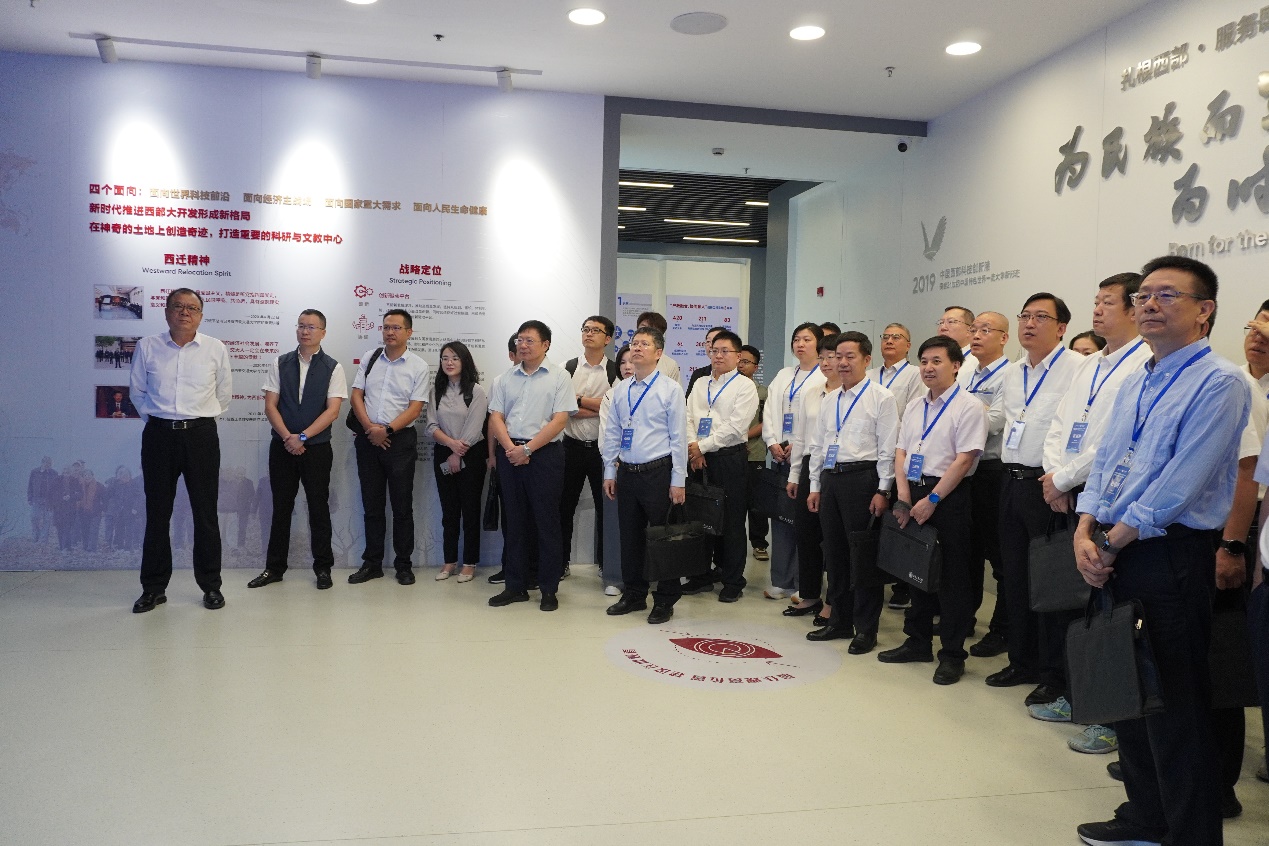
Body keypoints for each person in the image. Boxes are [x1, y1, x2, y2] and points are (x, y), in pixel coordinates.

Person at [1073, 255, 1249, 846]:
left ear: (1204, 311)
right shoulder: (1136, 378)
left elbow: (1183, 481)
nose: (1149, 304)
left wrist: (1112, 540)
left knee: (1174, 701)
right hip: (1113, 544)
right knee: (1126, 689)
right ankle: (1144, 816)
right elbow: (1106, 460)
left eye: (1167, 295)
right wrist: (1085, 526)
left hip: (1168, 552)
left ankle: (1190, 833)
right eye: (1144, 295)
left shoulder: (1220, 382)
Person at [1031, 275, 1151, 751]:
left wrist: (1065, 479)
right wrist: (1055, 475)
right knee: (1073, 603)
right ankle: (1076, 693)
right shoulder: (1089, 364)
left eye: (1107, 303)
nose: (1097, 310)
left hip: (1107, 497)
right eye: (1095, 302)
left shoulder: (1143, 362)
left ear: (1133, 309)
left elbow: (1114, 442)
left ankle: (1113, 716)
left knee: (1109, 612)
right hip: (1068, 492)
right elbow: (1060, 423)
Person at [985, 292, 1081, 709]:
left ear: (1061, 328)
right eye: (1025, 315)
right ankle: (1021, 661)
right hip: (1010, 481)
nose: (1029, 323)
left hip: (1049, 486)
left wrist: (1061, 480)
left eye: (1041, 316)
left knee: (1050, 583)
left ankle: (1053, 673)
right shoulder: (1013, 372)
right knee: (1015, 577)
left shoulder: (1078, 368)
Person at [879, 335, 986, 684]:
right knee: (914, 570)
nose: (928, 367)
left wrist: (933, 500)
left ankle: (952, 654)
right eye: (924, 361)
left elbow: (965, 459)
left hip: (948, 496)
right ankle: (917, 642)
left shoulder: (968, 406)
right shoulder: (914, 405)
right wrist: (904, 497)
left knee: (952, 578)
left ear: (956, 365)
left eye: (937, 361)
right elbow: (901, 452)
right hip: (913, 491)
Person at [128, 287, 233, 613]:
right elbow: (137, 392)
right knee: (158, 514)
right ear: (166, 312)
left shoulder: (215, 348)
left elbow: (224, 394)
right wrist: (160, 421)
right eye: (178, 306)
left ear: (200, 315)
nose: (184, 313)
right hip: (159, 437)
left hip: (201, 436)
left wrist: (197, 421)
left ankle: (211, 586)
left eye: (192, 308)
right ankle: (153, 588)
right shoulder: (148, 346)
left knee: (206, 514)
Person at [805, 331, 898, 653]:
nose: (841, 363)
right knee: (834, 554)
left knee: (863, 557)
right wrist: (815, 485)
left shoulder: (881, 397)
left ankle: (866, 629)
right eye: (836, 357)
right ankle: (839, 621)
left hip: (863, 480)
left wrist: (883, 489)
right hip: (831, 479)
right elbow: (818, 446)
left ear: (866, 359)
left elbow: (888, 449)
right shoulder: (830, 399)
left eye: (849, 357)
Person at [248, 309, 348, 591]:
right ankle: (274, 568)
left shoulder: (333, 367)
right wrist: (288, 438)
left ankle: (323, 568)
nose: (305, 331)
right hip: (282, 447)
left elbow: (333, 411)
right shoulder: (280, 363)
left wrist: (302, 437)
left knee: (318, 508)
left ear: (323, 333)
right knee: (281, 508)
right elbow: (270, 405)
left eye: (312, 327)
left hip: (317, 448)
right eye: (301, 326)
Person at [487, 320, 577, 611]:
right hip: (510, 453)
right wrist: (511, 449)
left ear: (545, 345)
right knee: (514, 522)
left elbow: (560, 420)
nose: (523, 345)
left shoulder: (560, 376)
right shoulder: (505, 378)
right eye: (520, 340)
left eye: (529, 340)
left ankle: (548, 589)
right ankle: (515, 586)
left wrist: (527, 449)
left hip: (545, 456)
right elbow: (496, 417)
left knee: (546, 523)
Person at [602, 326, 689, 623]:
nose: (637, 348)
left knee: (664, 539)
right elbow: (613, 432)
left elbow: (679, 437)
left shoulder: (670, 389)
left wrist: (678, 480)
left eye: (644, 344)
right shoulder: (621, 389)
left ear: (658, 353)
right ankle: (635, 594)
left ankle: (665, 599)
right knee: (630, 537)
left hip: (658, 472)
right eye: (634, 343)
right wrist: (609, 470)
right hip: (627, 472)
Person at [348, 308, 430, 586]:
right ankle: (372, 564)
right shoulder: (370, 358)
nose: (390, 332)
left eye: (396, 328)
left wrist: (387, 430)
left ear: (409, 332)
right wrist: (371, 429)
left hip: (400, 442)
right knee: (372, 505)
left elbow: (415, 408)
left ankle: (403, 565)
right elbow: (356, 395)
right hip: (368, 438)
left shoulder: (418, 366)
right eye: (386, 327)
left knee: (402, 507)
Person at [684, 329, 759, 601]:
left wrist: (701, 446)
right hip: (699, 460)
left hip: (729, 459)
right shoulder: (700, 383)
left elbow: (735, 427)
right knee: (699, 520)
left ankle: (732, 580)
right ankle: (700, 576)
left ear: (738, 356)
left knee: (732, 522)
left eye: (725, 351)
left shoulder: (745, 386)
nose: (718, 355)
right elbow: (687, 417)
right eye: (714, 350)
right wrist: (694, 449)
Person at [762, 323, 825, 604]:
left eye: (807, 339)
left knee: (805, 524)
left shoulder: (824, 376)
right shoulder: (784, 375)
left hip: (806, 457)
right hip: (780, 454)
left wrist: (797, 448)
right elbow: (769, 410)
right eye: (796, 339)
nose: (800, 344)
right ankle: (781, 581)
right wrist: (772, 441)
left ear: (819, 344)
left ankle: (804, 583)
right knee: (781, 519)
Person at [963, 311, 1012, 659]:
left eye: (985, 330)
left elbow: (996, 421)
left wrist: (964, 414)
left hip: (994, 470)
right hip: (966, 470)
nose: (977, 335)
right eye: (974, 329)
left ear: (1004, 337)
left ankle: (1002, 629)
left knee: (999, 556)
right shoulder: (967, 372)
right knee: (967, 552)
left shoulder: (1011, 374)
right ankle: (963, 617)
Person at [786, 335, 844, 618]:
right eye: (822, 357)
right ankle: (810, 595)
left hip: (837, 467)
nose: (826, 362)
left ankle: (834, 601)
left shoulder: (851, 394)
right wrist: (794, 474)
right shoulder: (811, 393)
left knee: (832, 538)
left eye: (832, 356)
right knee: (806, 533)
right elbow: (800, 436)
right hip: (811, 463)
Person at [560, 316, 617, 580]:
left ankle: (607, 563)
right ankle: (561, 562)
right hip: (570, 447)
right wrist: (599, 406)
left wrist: (580, 400)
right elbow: (563, 408)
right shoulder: (567, 368)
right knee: (564, 507)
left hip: (602, 451)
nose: (589, 334)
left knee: (606, 508)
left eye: (595, 330)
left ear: (607, 338)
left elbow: (614, 408)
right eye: (585, 329)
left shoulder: (615, 371)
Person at [427, 341, 489, 583]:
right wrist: (451, 446)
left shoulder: (476, 391)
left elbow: (475, 428)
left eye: (454, 358)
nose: (449, 362)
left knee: (470, 511)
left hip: (471, 456)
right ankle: (449, 561)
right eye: (445, 358)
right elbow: (431, 426)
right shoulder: (436, 391)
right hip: (444, 453)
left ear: (464, 361)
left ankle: (469, 563)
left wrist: (458, 452)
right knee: (449, 511)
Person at [597, 344, 636, 596]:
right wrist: (613, 460)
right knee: (614, 524)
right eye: (622, 362)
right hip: (615, 465)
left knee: (642, 523)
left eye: (632, 361)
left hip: (647, 465)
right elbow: (606, 434)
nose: (628, 366)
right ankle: (614, 577)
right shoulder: (611, 395)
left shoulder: (660, 391)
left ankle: (644, 576)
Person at [738, 344, 769, 562]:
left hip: (754, 453)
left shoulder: (763, 393)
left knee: (757, 502)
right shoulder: (727, 390)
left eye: (746, 362)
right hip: (730, 454)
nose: (741, 365)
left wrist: (743, 438)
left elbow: (766, 423)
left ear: (755, 367)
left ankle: (759, 543)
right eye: (739, 360)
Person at [868, 323, 924, 420]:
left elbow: (914, 414)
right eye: (885, 337)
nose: (889, 341)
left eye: (896, 337)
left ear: (908, 346)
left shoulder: (917, 374)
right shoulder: (868, 375)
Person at [636, 311, 681, 384]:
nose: (645, 333)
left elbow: (676, 390)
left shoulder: (670, 365)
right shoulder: (626, 358)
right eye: (643, 328)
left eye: (651, 330)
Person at [686, 326, 728, 396]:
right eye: (708, 341)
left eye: (715, 341)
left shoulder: (739, 377)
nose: (711, 345)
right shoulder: (698, 374)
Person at [940, 305, 979, 379]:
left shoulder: (978, 361)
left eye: (951, 322)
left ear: (970, 330)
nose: (942, 328)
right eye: (941, 323)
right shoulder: (935, 361)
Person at [27, 456, 57, 543]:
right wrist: (29, 498)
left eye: (50, 463)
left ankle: (43, 539)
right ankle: (35, 535)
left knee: (47, 520)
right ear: (42, 463)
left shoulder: (54, 473)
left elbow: (56, 488)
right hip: (36, 499)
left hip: (49, 500)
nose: (48, 465)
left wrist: (54, 500)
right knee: (34, 517)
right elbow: (30, 485)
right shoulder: (34, 472)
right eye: (46, 463)